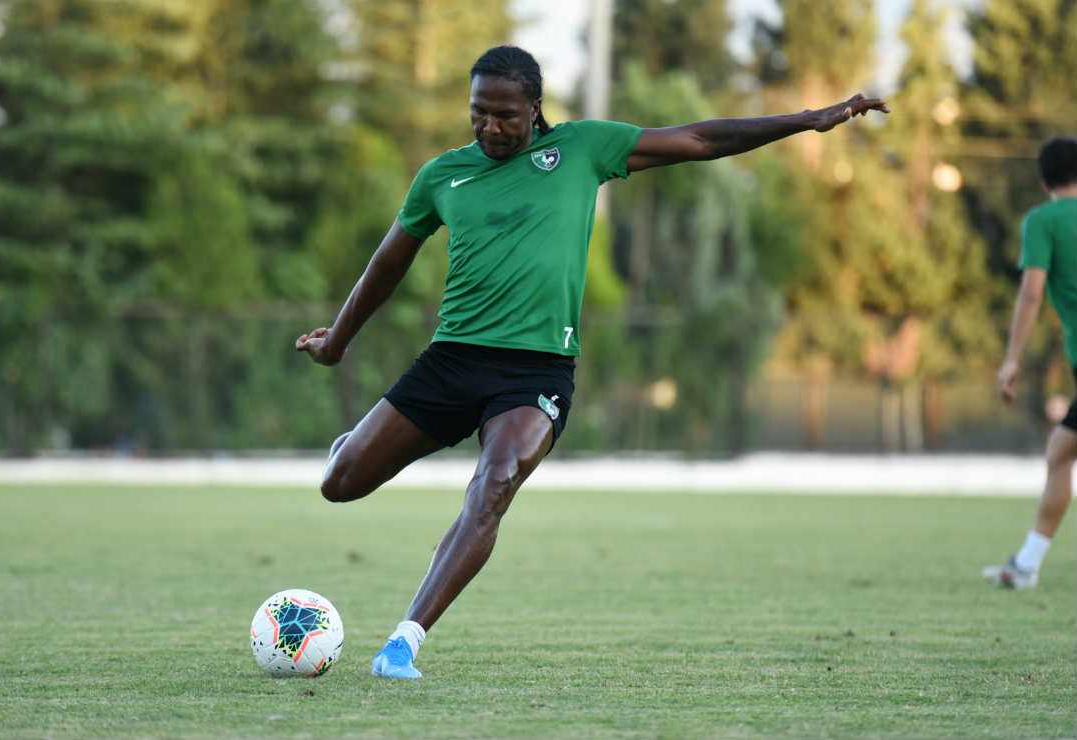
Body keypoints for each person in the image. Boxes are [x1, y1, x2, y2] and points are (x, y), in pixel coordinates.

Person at [295, 45, 889, 678]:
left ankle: (404, 642)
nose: (490, 127)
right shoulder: (442, 176)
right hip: (453, 360)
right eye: (478, 112)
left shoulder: (581, 149)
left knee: (495, 482)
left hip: (536, 373)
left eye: (505, 115)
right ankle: (351, 445)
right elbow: (389, 262)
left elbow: (700, 139)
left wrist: (807, 120)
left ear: (534, 108)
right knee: (340, 483)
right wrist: (337, 342)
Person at [983, 135, 1077, 589]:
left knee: (1060, 452)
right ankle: (1026, 564)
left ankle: (1026, 566)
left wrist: (1011, 360)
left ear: (1044, 182)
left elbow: (1032, 292)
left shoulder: (1043, 221)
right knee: (1061, 450)